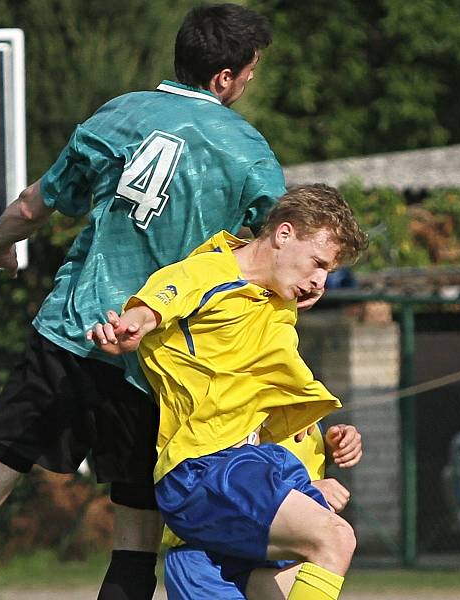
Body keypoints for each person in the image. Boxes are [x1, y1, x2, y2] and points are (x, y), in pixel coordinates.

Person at [0, 5, 310, 600]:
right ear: (224, 77)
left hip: (70, 332)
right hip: (152, 361)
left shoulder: (120, 115)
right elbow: (271, 261)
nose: (250, 81)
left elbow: (35, 205)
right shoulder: (250, 154)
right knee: (136, 529)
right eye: (250, 70)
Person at [89, 184, 369, 600]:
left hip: (238, 487)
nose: (319, 282)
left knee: (301, 576)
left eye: (327, 272)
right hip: (204, 470)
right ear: (284, 234)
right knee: (334, 539)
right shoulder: (207, 273)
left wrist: (322, 440)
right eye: (317, 264)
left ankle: (212, 565)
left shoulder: (278, 303)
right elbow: (157, 304)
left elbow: (264, 395)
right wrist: (131, 325)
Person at [163, 423, 363, 600]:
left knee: (334, 545)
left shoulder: (302, 395)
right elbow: (219, 473)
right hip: (211, 558)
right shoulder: (243, 392)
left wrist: (328, 448)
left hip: (274, 562)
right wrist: (304, 489)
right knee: (337, 539)